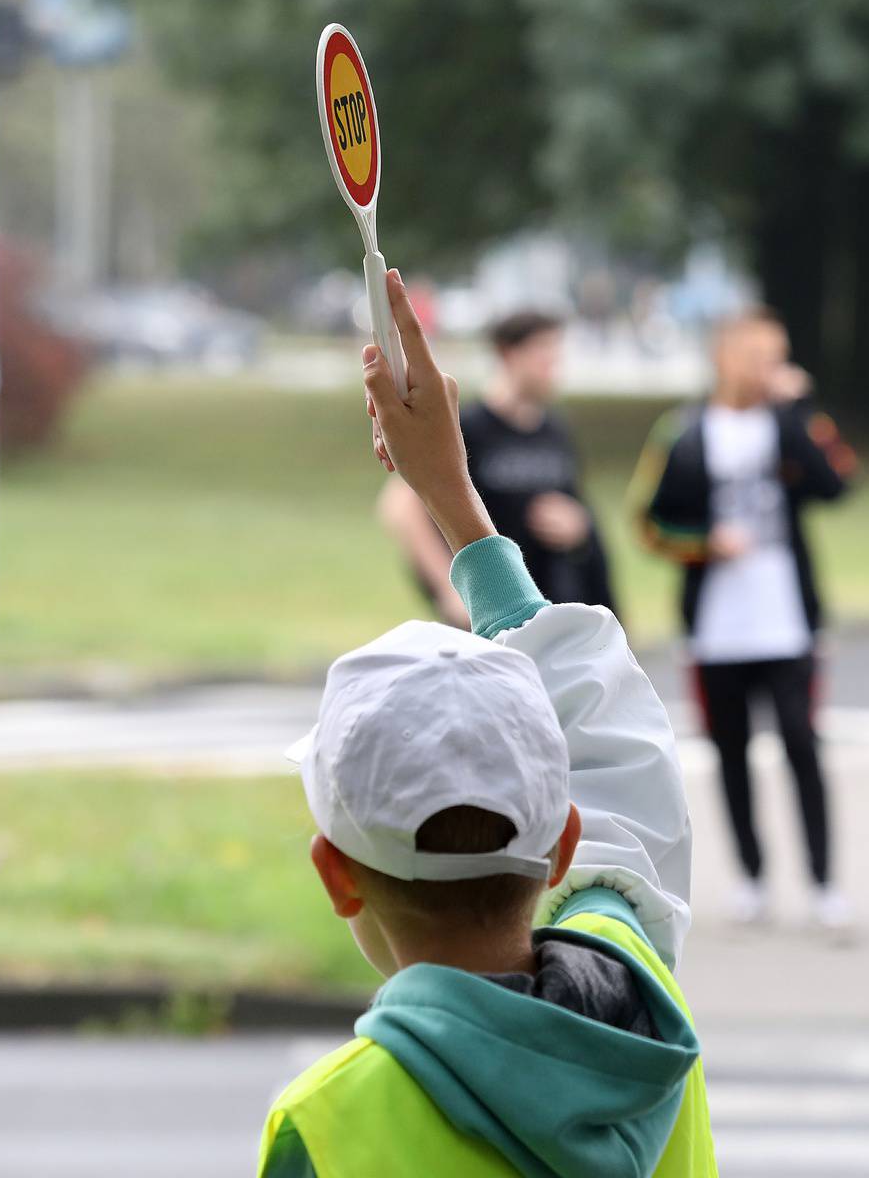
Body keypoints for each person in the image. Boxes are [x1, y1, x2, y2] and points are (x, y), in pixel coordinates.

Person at [258, 269, 716, 1176]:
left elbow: (606, 742)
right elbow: (612, 736)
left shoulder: (326, 1121)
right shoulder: (641, 999)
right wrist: (457, 498)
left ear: (335, 873)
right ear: (561, 848)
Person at [629, 310, 857, 931]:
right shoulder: (684, 431)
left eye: (777, 357)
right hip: (717, 627)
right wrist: (705, 542)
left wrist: (797, 411)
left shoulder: (792, 422)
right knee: (731, 750)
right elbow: (647, 523)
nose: (769, 370)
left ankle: (824, 881)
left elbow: (839, 483)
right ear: (724, 357)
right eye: (758, 356)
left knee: (801, 744)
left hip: (788, 622)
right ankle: (752, 876)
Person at [378, 309, 615, 630]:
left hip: (547, 608)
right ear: (508, 353)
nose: (553, 363)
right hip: (491, 615)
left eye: (557, 351)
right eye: (542, 350)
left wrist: (577, 525)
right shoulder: (467, 425)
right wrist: (450, 591)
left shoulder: (556, 432)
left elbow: (576, 506)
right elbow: (400, 507)